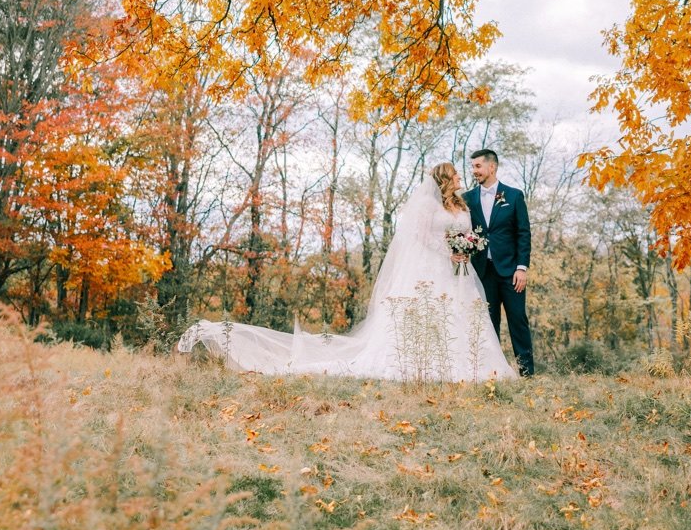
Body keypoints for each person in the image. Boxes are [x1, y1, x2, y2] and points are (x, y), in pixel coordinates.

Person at [178, 161, 518, 382]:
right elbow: (419, 238)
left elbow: (469, 232)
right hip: (434, 267)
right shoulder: (428, 205)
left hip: (459, 274)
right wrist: (450, 251)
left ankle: (471, 363)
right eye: (457, 175)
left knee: (461, 315)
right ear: (445, 180)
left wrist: (466, 247)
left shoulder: (461, 204)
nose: (462, 177)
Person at [465, 147, 536, 377]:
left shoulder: (514, 196)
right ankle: (492, 374)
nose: (474, 171)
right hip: (482, 272)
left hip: (511, 272)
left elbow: (523, 234)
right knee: (488, 323)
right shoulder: (467, 199)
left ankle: (526, 374)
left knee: (518, 320)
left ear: (491, 167)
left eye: (478, 166)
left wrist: (521, 268)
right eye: (473, 166)